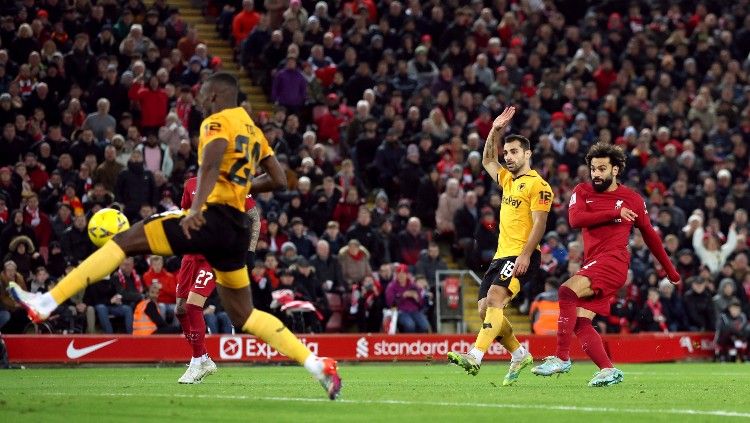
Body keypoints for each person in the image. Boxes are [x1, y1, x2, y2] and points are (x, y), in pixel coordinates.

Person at [9, 73, 341, 399]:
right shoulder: (254, 131)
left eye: (203, 95)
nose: (199, 101)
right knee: (245, 314)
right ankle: (316, 364)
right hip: (236, 231)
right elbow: (281, 181)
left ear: (214, 96)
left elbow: (210, 166)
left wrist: (197, 208)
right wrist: (241, 187)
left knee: (126, 241)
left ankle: (46, 301)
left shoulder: (215, 122)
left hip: (212, 220)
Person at [531, 142, 680, 386]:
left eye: (602, 169)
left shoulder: (631, 198)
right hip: (593, 262)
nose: (596, 174)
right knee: (580, 322)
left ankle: (561, 357)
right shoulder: (582, 191)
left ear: (616, 170)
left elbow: (650, 235)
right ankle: (608, 369)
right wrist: (614, 212)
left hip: (614, 261)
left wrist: (670, 271)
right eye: (593, 169)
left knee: (566, 291)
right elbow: (575, 219)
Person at [448, 106, 552, 386]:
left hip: (521, 256)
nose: (508, 156)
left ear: (527, 154)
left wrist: (526, 255)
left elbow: (540, 224)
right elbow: (486, 160)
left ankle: (474, 356)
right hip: (500, 256)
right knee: (485, 309)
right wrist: (494, 130)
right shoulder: (507, 180)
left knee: (494, 299)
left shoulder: (539, 186)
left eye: (514, 151)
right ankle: (519, 354)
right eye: (506, 152)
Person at [173, 175, 259, 384]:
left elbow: (254, 217)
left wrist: (250, 252)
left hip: (215, 256)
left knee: (194, 306)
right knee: (181, 309)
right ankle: (203, 358)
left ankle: (196, 362)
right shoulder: (190, 184)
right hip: (190, 255)